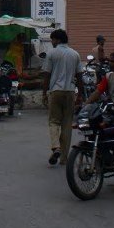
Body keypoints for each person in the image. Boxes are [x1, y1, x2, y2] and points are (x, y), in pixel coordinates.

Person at [40, 29, 83, 166]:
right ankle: (64, 158)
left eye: (52, 40)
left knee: (53, 121)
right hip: (70, 92)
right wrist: (80, 94)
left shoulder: (52, 53)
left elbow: (46, 75)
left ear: (57, 40)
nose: (52, 42)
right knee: (66, 124)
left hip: (55, 91)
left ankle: (56, 147)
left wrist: (44, 93)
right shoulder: (75, 54)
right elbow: (79, 76)